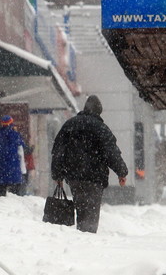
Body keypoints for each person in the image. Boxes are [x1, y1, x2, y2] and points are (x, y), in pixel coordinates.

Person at [51, 95, 128, 233]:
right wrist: (121, 172)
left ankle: (81, 236)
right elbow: (111, 153)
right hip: (94, 178)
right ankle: (87, 240)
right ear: (99, 111)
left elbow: (58, 151)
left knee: (81, 208)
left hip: (74, 177)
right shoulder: (101, 128)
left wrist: (57, 174)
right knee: (91, 213)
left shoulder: (70, 125)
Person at [0, 115, 26, 197]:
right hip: (14, 168)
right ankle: (15, 207)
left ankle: (1, 207)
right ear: (11, 123)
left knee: (1, 194)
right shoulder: (16, 135)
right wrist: (23, 170)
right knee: (16, 194)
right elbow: (21, 152)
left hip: (1, 168)